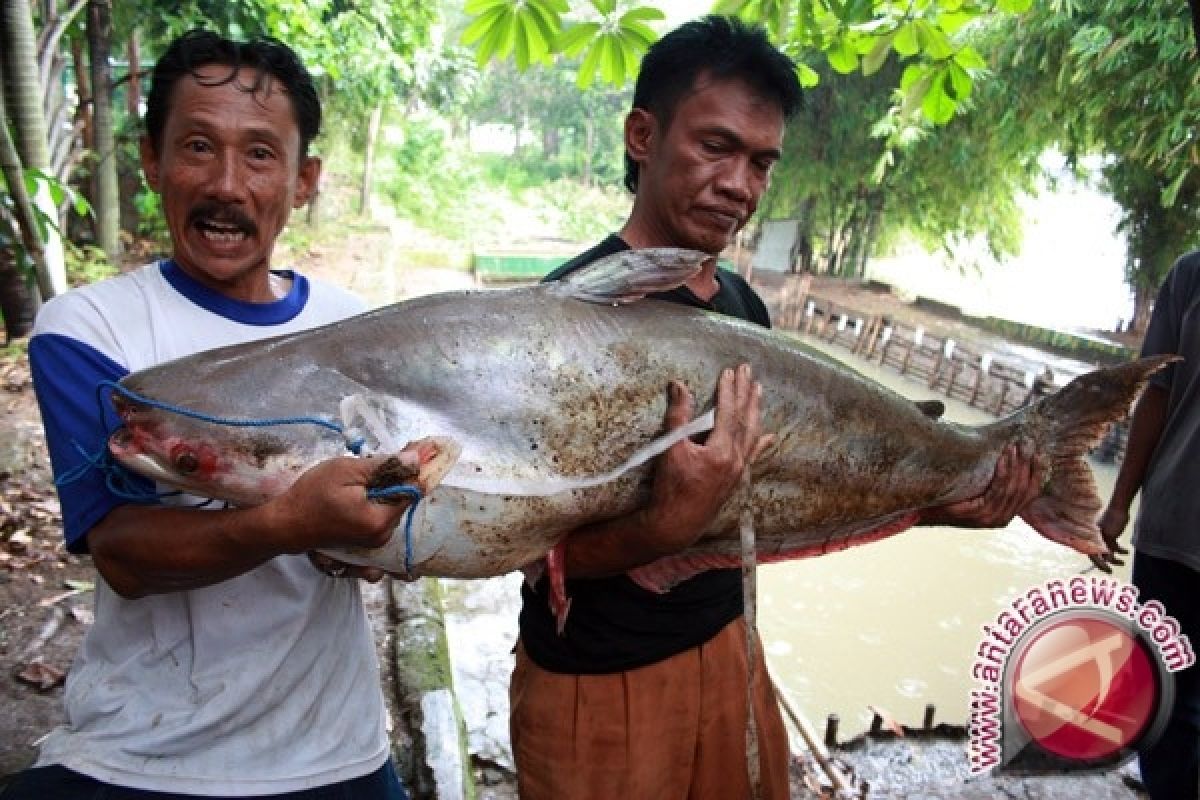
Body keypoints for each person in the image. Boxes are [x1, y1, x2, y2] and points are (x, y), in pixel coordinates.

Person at [510, 15, 1041, 800]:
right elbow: (526, 553)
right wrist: (666, 525)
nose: (739, 186)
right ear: (642, 136)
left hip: (729, 648)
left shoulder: (740, 309)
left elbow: (779, 494)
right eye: (715, 147)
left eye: (761, 163)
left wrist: (940, 505)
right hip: (600, 681)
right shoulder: (569, 318)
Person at [4, 31, 413, 799]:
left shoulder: (353, 324)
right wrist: (297, 522)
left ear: (304, 180)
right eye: (198, 146)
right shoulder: (91, 329)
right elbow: (125, 554)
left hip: (339, 749)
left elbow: (397, 520)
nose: (227, 183)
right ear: (153, 161)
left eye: (260, 154)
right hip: (146, 753)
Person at [1094, 251, 1200, 800]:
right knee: (1166, 689)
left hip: (1177, 525)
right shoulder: (1189, 274)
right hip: (1176, 526)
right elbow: (1154, 392)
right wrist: (1119, 505)